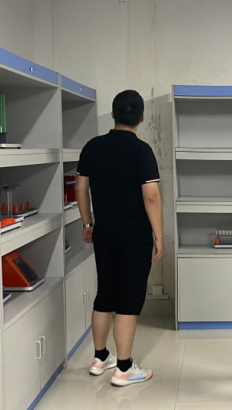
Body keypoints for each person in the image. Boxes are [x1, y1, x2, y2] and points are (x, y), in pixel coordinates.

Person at [75, 89, 164, 387]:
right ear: (142, 117)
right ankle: (124, 368)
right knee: (128, 300)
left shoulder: (92, 147)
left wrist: (88, 223)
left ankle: (100, 357)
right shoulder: (142, 152)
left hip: (104, 234)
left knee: (105, 294)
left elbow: (80, 188)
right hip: (135, 237)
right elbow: (151, 197)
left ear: (113, 114)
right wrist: (159, 235)